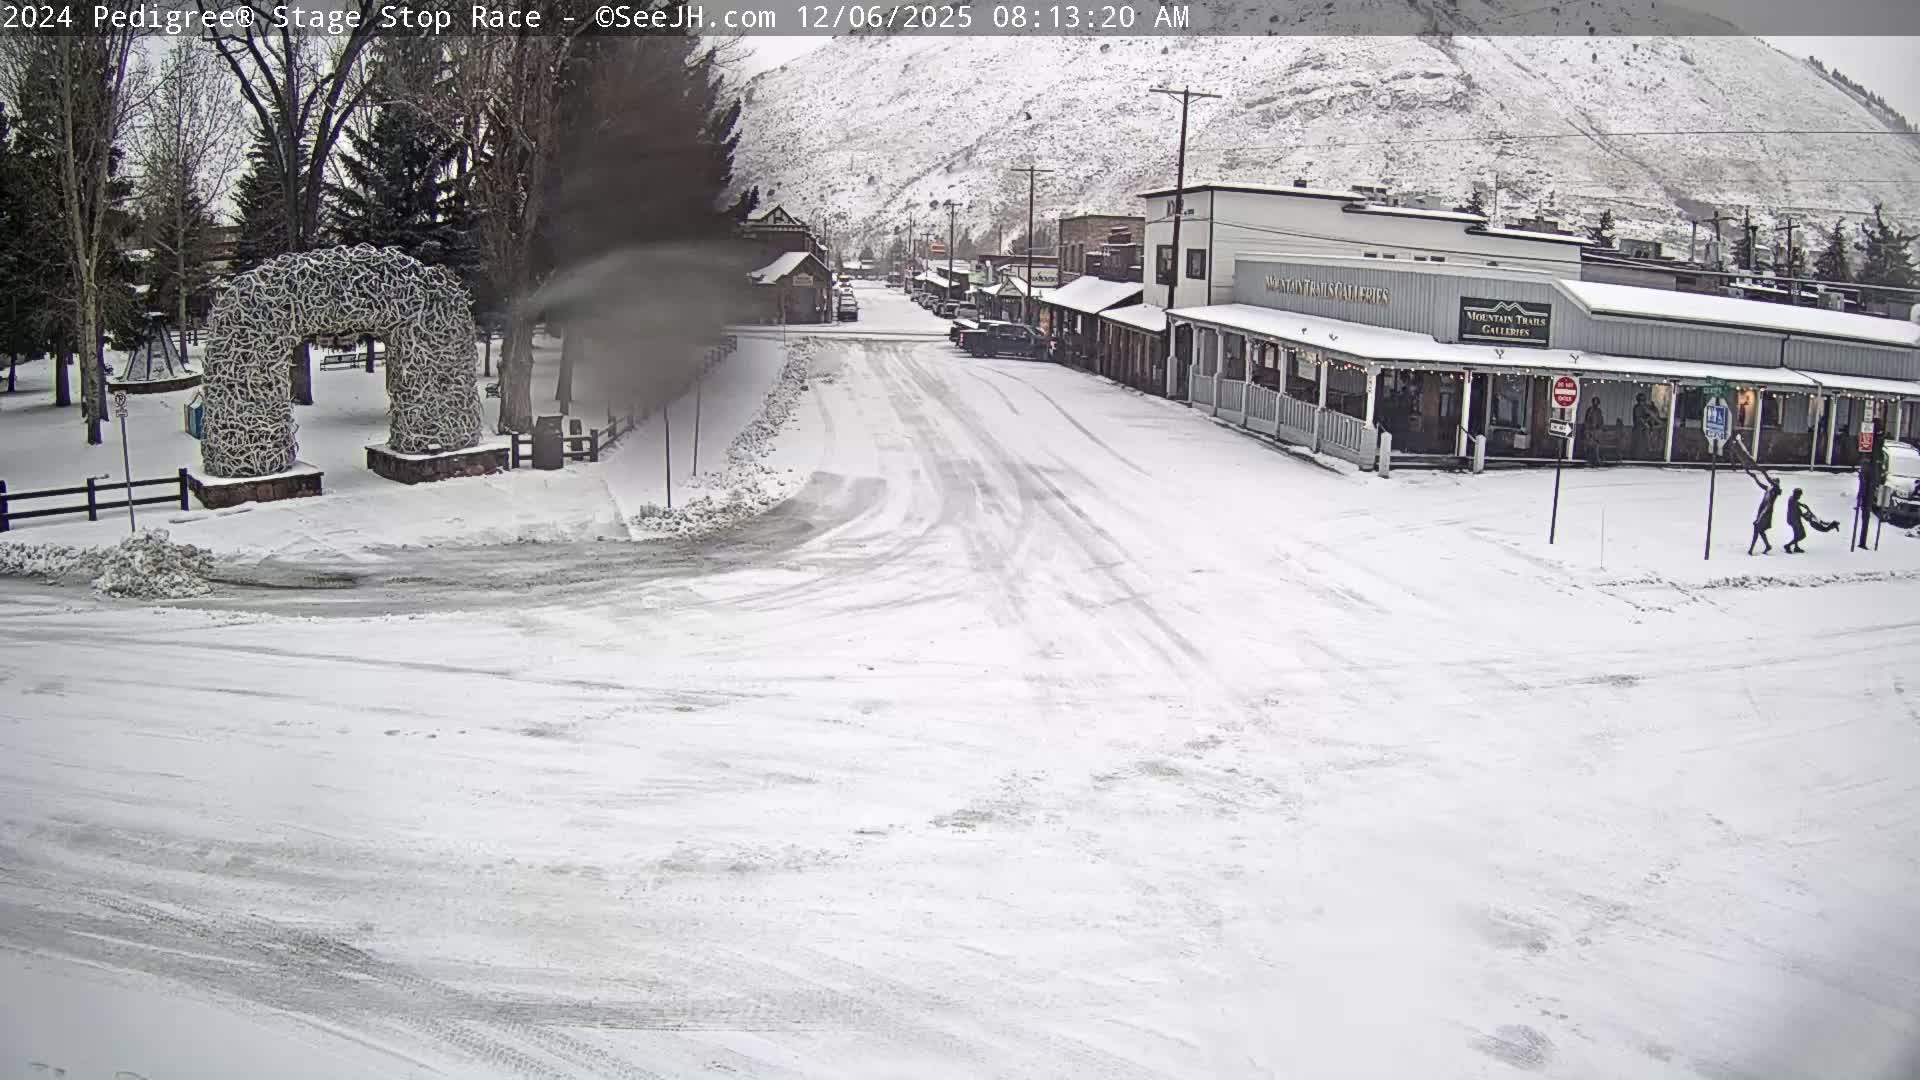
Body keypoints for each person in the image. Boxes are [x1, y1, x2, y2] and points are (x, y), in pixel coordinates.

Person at [1749, 471, 1781, 555]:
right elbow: (1760, 485)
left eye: (1774, 482)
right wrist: (1755, 477)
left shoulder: (1777, 490)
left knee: (1757, 528)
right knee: (1760, 530)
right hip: (1762, 511)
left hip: (1766, 512)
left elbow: (1771, 483)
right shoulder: (1769, 489)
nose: (1772, 483)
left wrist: (1763, 472)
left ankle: (1751, 550)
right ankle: (1767, 545)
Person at [1583, 398, 1605, 465]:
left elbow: (1601, 421)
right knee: (1589, 446)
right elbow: (1586, 420)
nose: (1596, 404)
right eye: (1594, 402)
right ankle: (1589, 460)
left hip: (1597, 431)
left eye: (1597, 403)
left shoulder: (1599, 411)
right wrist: (1588, 430)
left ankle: (1597, 460)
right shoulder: (1590, 410)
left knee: (1597, 445)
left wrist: (1600, 427)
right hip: (1590, 431)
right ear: (1592, 403)